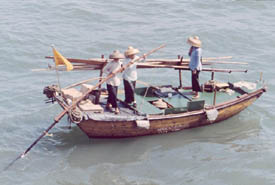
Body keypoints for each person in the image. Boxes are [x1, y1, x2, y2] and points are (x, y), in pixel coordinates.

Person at [103, 50, 125, 114]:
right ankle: (116, 107)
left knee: (112, 94)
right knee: (114, 95)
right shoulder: (110, 63)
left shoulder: (121, 63)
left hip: (116, 80)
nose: (117, 59)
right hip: (110, 81)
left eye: (118, 58)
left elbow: (121, 71)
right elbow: (104, 70)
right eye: (116, 58)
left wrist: (122, 70)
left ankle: (108, 104)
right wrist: (110, 73)